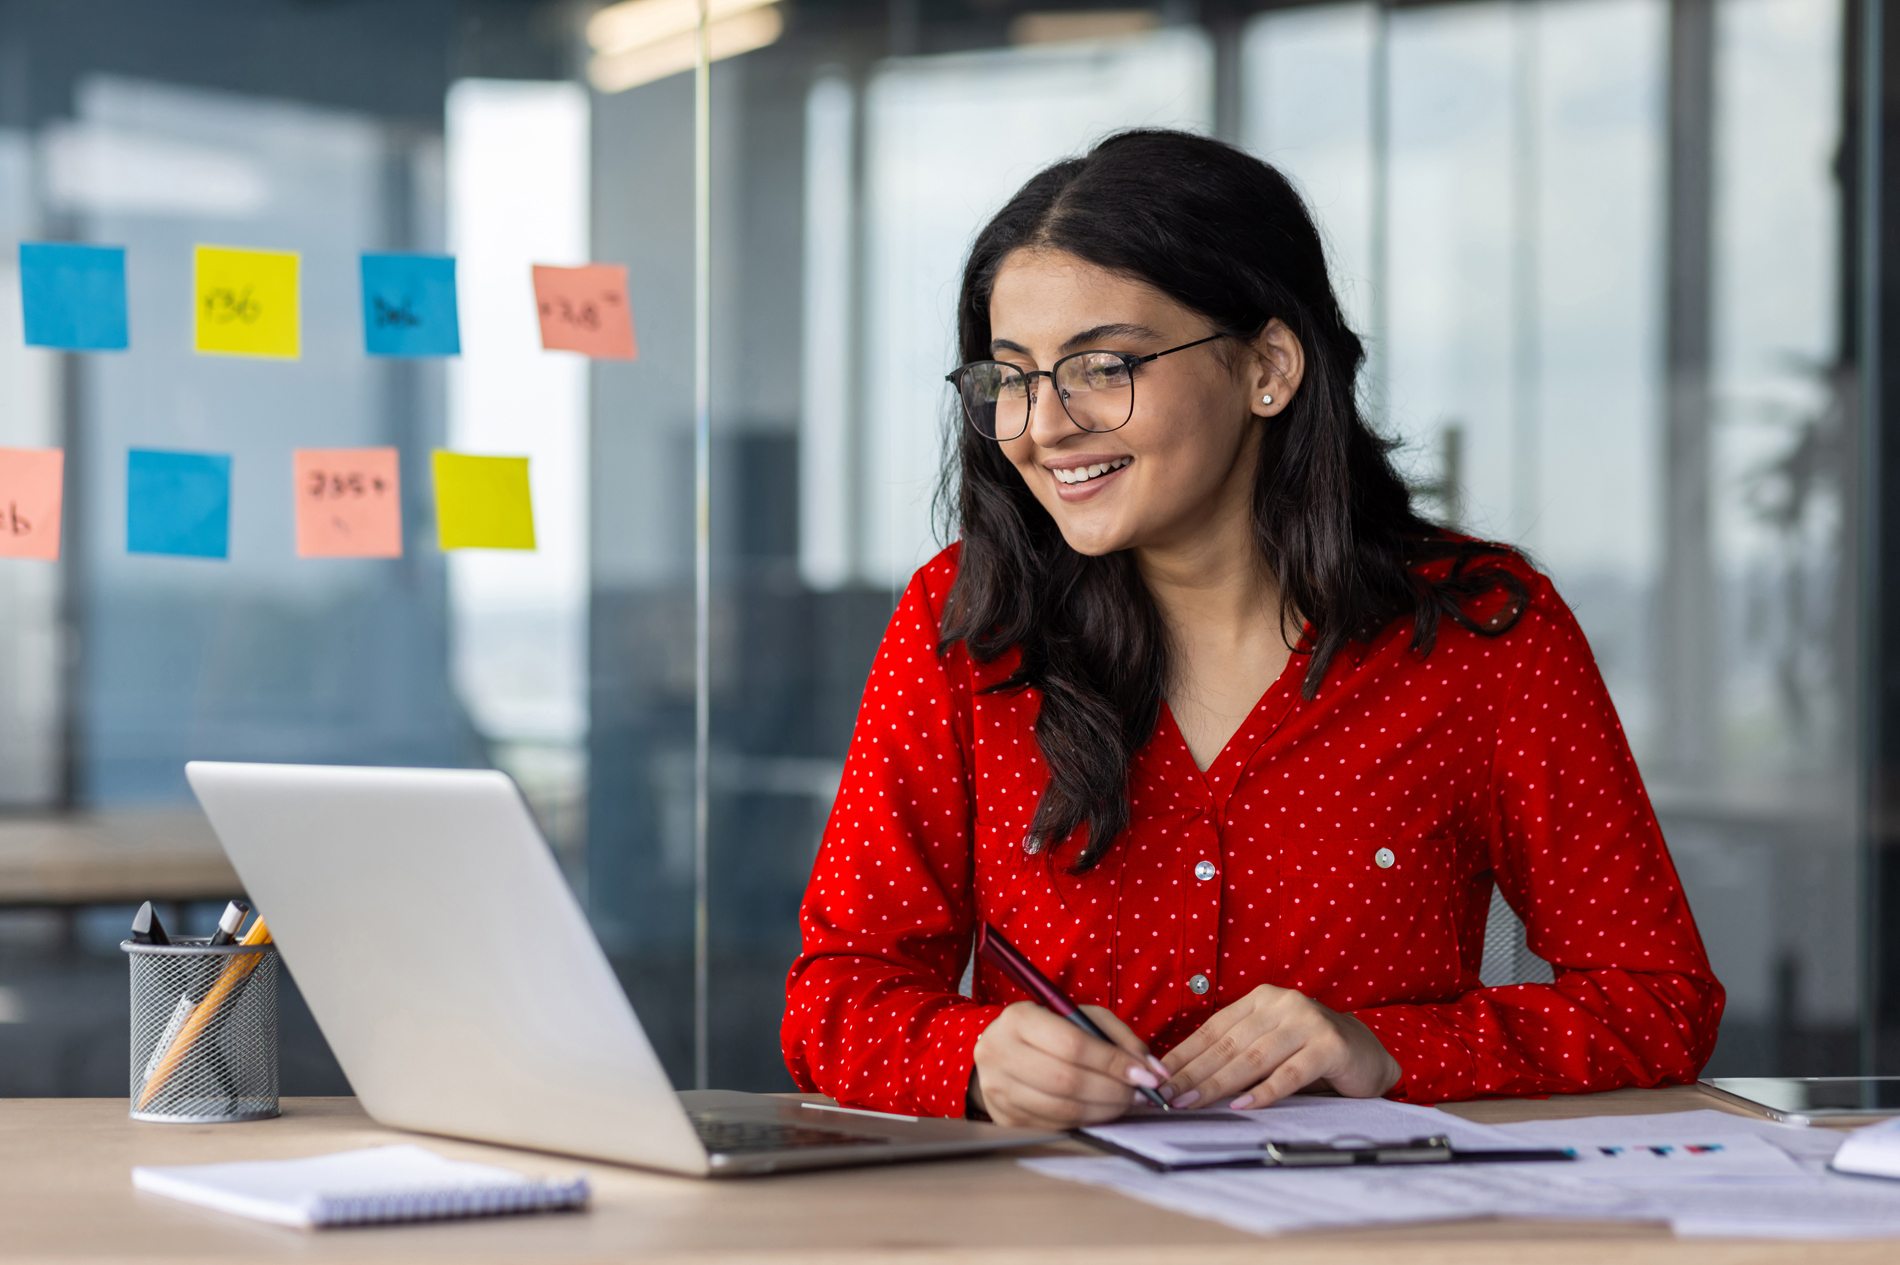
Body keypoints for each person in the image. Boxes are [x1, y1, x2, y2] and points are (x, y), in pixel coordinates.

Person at [781, 129, 1723, 1129]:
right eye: (1010, 377)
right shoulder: (966, 623)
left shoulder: (1484, 636)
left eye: (1102, 365)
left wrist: (1383, 1049)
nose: (1044, 424)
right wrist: (972, 1056)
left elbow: (1654, 999)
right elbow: (835, 994)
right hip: (1059, 1224)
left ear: (1268, 364)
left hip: (1376, 1226)